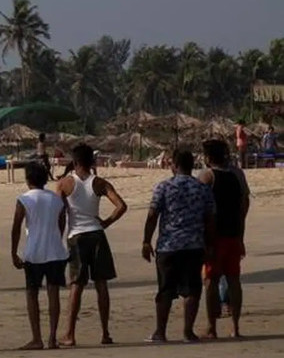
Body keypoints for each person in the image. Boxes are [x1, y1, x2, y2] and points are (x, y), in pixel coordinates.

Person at [56, 142, 126, 346]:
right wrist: (106, 222)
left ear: (75, 162)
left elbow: (61, 215)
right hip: (96, 234)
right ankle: (105, 333)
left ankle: (70, 334)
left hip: (76, 236)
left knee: (76, 285)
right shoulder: (100, 183)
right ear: (91, 162)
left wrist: (59, 238)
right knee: (101, 284)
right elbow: (121, 206)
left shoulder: (64, 184)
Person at [142, 149, 215, 344]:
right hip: (194, 245)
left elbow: (152, 215)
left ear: (174, 165)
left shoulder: (163, 187)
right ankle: (188, 332)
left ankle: (160, 331)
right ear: (191, 165)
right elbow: (209, 220)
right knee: (192, 290)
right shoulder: (202, 188)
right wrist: (209, 245)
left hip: (168, 245)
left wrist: (146, 240)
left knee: (165, 290)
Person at [12, 161, 69, 350]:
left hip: (34, 252)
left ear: (28, 179)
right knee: (54, 294)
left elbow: (16, 227)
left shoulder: (24, 199)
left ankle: (37, 337)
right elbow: (62, 222)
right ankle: (52, 337)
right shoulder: (56, 199)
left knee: (32, 294)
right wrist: (55, 238)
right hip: (55, 251)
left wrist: (13, 252)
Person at [197, 139, 250, 339]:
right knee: (234, 280)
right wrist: (241, 235)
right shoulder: (238, 174)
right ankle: (235, 328)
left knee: (211, 281)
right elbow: (244, 205)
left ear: (208, 157)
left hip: (214, 237)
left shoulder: (206, 176)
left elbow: (201, 209)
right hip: (234, 234)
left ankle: (212, 327)